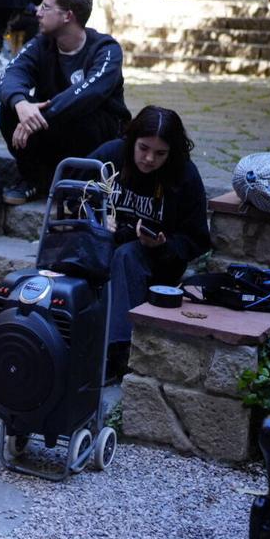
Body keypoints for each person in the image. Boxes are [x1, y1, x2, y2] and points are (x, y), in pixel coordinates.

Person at [88, 106, 210, 378]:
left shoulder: (184, 176)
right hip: (107, 245)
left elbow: (197, 239)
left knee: (127, 256)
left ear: (173, 152)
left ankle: (118, 354)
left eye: (160, 153)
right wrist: (96, 216)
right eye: (143, 148)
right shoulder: (112, 155)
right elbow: (71, 189)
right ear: (132, 140)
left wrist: (163, 245)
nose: (149, 158)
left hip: (156, 261)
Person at [0, 0, 130, 205]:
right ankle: (33, 178)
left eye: (46, 7)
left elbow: (88, 94)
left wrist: (36, 118)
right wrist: (20, 103)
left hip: (96, 136)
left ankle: (84, 186)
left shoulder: (106, 49)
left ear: (67, 16)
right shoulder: (41, 43)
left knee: (85, 113)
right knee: (10, 110)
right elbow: (11, 74)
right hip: (54, 129)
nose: (38, 12)